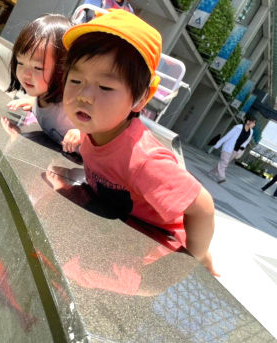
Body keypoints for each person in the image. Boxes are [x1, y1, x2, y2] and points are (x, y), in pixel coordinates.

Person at [56, 9, 217, 275]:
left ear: (141, 98)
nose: (84, 95)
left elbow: (202, 207)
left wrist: (193, 257)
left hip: (155, 244)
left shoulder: (143, 159)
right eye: (75, 80)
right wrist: (79, 134)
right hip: (118, 223)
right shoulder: (99, 124)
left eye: (105, 87)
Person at [4, 14, 81, 153]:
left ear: (63, 69)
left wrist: (84, 135)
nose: (25, 74)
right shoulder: (42, 97)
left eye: (37, 67)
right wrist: (33, 103)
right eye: (20, 63)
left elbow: (107, 129)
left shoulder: (73, 104)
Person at [209, 116, 256, 183]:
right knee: (224, 162)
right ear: (248, 121)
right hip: (228, 148)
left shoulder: (251, 131)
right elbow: (227, 136)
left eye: (254, 123)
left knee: (225, 163)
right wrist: (218, 144)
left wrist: (241, 149)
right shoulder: (238, 127)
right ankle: (221, 177)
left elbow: (246, 141)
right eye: (253, 122)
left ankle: (212, 172)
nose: (254, 124)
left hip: (235, 150)